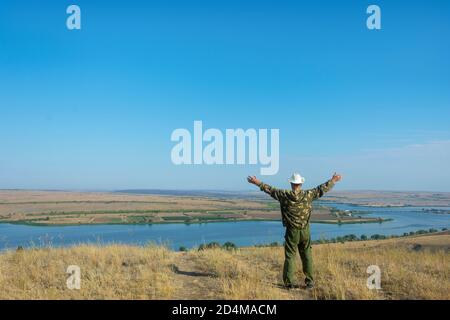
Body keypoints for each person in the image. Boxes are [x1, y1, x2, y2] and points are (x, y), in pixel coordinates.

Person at [247, 172, 342, 289]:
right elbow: (321, 189)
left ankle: (289, 283)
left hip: (292, 231)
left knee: (290, 256)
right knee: (307, 255)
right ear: (301, 183)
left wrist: (257, 182)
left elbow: (270, 190)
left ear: (291, 184)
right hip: (305, 230)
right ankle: (310, 282)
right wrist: (333, 180)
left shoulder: (284, 195)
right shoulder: (308, 195)